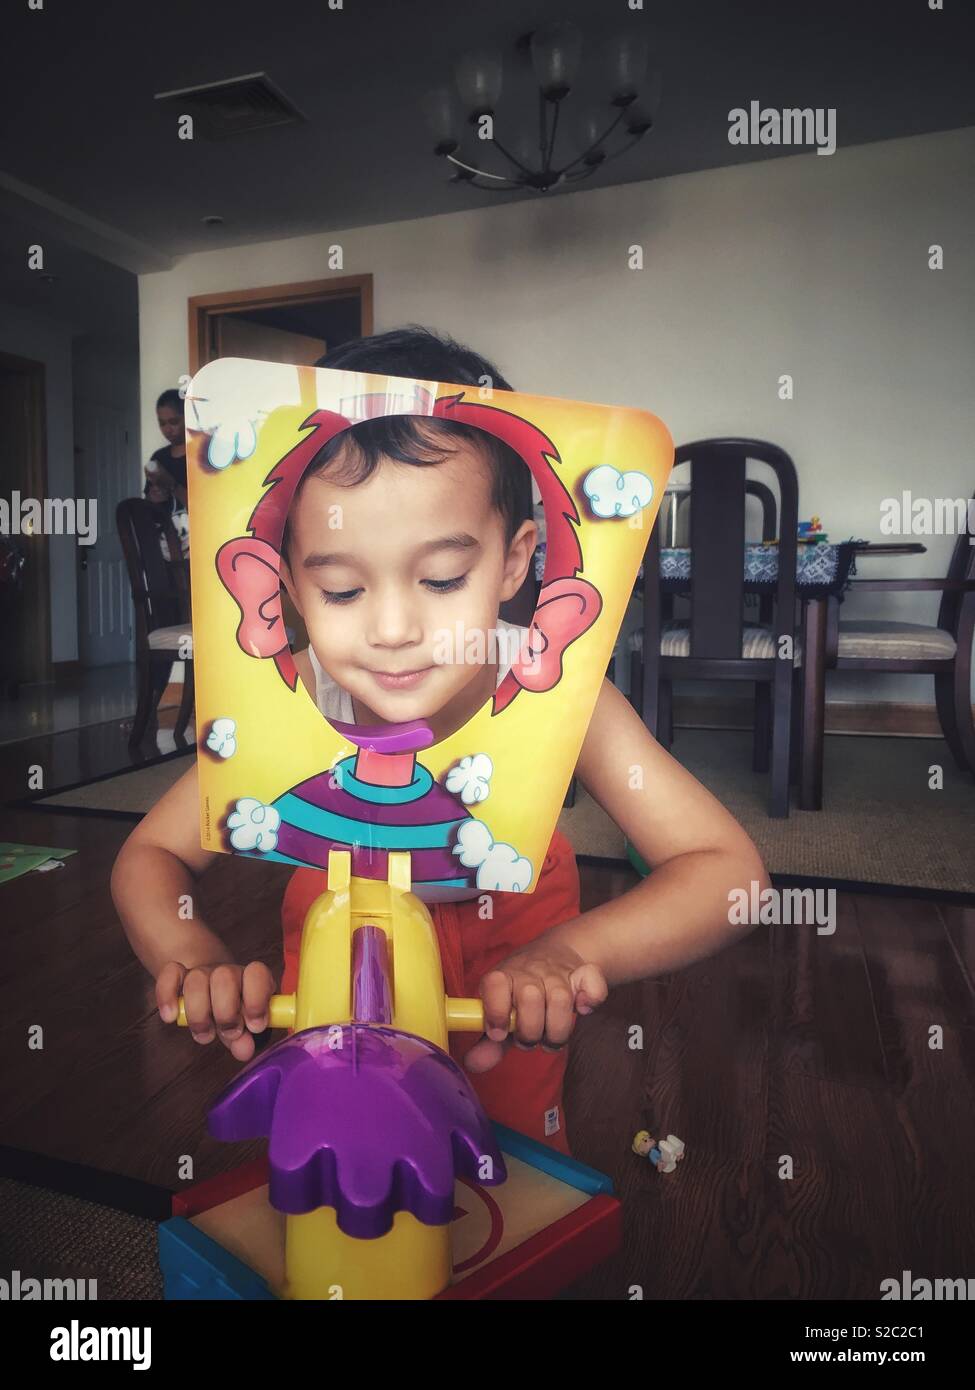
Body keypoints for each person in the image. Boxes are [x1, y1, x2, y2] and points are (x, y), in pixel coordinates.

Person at [111, 326, 769, 1156]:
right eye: (342, 586)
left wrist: (566, 953)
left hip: (508, 990)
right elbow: (148, 858)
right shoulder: (291, 691)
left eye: (443, 579)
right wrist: (190, 949)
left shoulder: (563, 694)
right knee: (342, 1175)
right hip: (336, 1004)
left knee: (515, 1170)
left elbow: (728, 875)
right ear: (288, 582)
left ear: (512, 561)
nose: (394, 630)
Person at [145, 388, 189, 560]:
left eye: (173, 422)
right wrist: (153, 498)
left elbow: (204, 509)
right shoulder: (159, 458)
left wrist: (171, 484)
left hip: (195, 547)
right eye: (162, 423)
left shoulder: (200, 456)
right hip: (166, 548)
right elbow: (149, 508)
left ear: (187, 417)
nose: (168, 429)